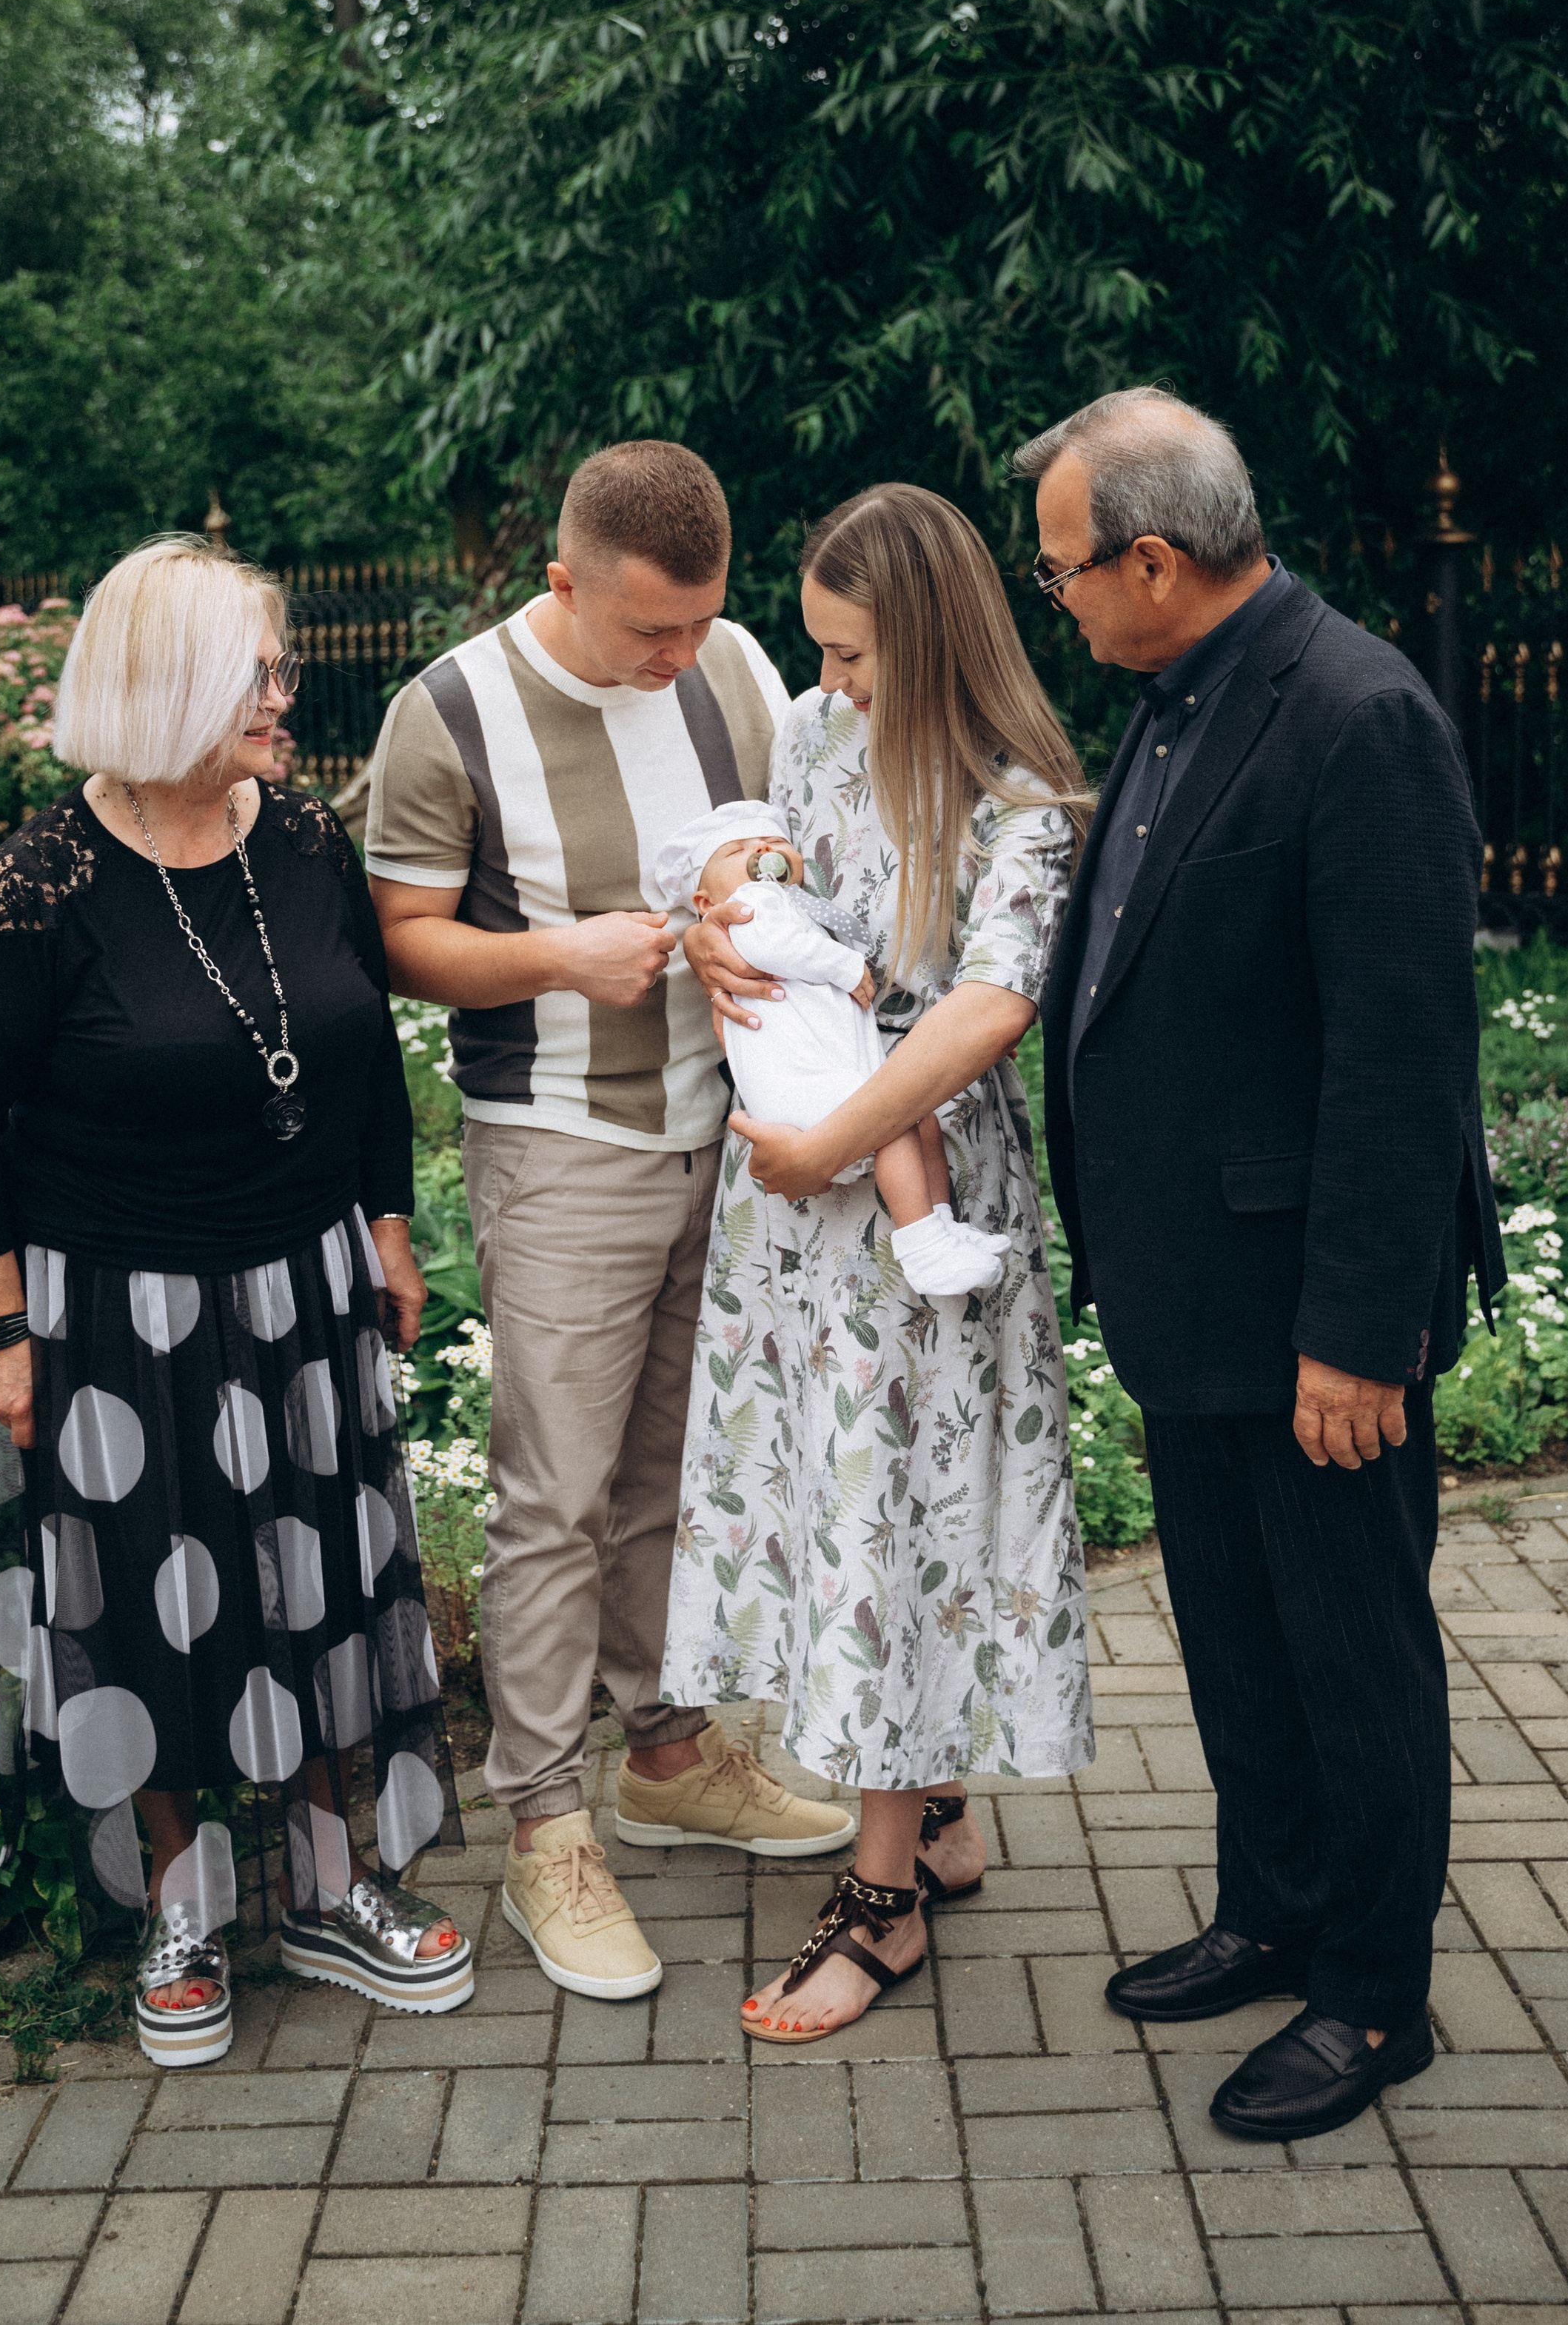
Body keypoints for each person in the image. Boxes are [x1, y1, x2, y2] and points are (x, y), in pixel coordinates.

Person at [0, 536, 469, 2073]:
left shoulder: (295, 835)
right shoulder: (35, 891)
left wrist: (391, 1230)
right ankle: (181, 1903)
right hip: (116, 1318)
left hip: (301, 1289)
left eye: (279, 670)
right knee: (158, 1609)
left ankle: (329, 1883)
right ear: (168, 689)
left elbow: (359, 1054)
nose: (284, 698)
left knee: (317, 1587)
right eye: (259, 675)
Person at [1024, 388, 1505, 2140]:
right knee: (1232, 1630)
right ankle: (1269, 1902)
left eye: (1066, 564)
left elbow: (1400, 1054)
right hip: (1190, 1291)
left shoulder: (1355, 711)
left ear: (1152, 558)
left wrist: (1359, 1333)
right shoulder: (1172, 699)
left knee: (1347, 1645)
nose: (1054, 593)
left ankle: (1372, 1994)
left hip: (1312, 1307)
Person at [367, 442, 859, 2008]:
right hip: (561, 1146)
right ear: (561, 579)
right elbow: (397, 940)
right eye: (647, 632)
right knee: (552, 1497)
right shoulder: (445, 710)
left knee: (671, 1467)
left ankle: (662, 1757)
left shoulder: (729, 658)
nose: (677, 660)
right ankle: (542, 1823)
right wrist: (557, 959)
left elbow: (775, 848)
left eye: (695, 628)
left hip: (731, 1129)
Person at [668, 483, 1096, 2043]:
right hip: (796, 1202)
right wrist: (717, 938)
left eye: (853, 655)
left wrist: (837, 1130)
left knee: (894, 1517)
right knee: (839, 1499)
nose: (829, 684)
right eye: (821, 654)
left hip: (916, 1189)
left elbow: (991, 1005)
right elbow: (766, 884)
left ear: (924, 637)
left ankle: (881, 1901)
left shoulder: (1022, 795)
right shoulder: (812, 731)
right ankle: (934, 1809)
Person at [653, 802, 1008, 1297]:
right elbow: (773, 948)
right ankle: (923, 1246)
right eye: (738, 850)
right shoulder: (748, 909)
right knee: (896, 1123)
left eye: (775, 843)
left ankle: (941, 1224)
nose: (762, 850)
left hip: (823, 1070)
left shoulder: (794, 909)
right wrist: (846, 966)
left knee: (919, 1117)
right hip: (796, 1081)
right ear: (703, 899)